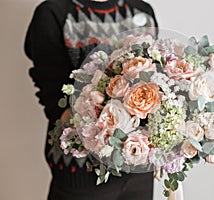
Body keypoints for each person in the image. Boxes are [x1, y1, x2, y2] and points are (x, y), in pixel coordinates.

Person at [24, 0, 158, 199]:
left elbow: (156, 80)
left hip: (138, 170)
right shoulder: (54, 13)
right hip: (81, 171)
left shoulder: (142, 12)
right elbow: (54, 95)